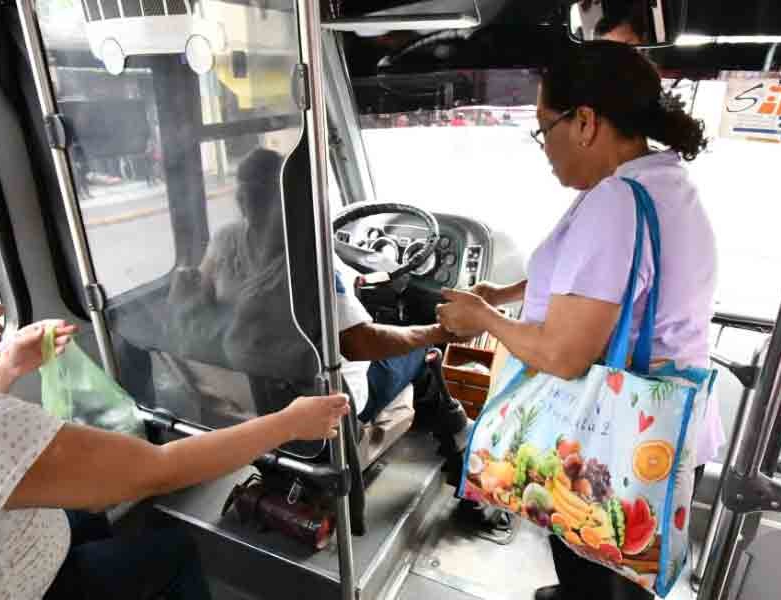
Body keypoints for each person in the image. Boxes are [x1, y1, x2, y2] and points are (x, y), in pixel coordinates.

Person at [0, 215, 348, 599]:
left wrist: (7, 367)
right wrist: (288, 422)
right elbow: (161, 470)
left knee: (84, 518)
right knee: (168, 552)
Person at [436, 42, 717, 600]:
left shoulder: (615, 202)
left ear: (585, 121)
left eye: (545, 128)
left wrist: (483, 316)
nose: (545, 148)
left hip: (607, 437)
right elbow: (613, 284)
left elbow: (565, 354)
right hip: (655, 428)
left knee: (596, 565)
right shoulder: (663, 184)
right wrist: (514, 291)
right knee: (614, 572)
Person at [196, 149, 474, 473]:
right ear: (288, 198)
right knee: (423, 350)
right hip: (327, 400)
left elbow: (203, 293)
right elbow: (359, 344)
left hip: (254, 386)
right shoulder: (312, 260)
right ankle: (456, 439)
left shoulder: (225, 239)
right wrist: (440, 332)